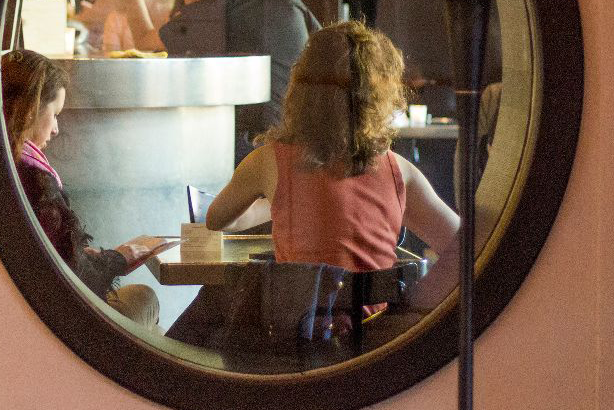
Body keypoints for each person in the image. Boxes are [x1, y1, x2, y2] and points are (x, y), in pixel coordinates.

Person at [167, 22, 460, 345]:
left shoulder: (269, 161)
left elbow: (216, 219)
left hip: (294, 343)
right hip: (377, 347)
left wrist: (277, 197)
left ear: (300, 90)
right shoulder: (400, 172)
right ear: (378, 97)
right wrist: (414, 300)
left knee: (213, 306)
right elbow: (463, 247)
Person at [119, 0, 321, 163]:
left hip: (248, 152)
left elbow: (143, 40)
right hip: (304, 140)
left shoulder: (202, 16)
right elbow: (320, 42)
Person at [0, 49, 162, 328]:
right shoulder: (35, 181)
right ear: (30, 110)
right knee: (145, 299)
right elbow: (71, 277)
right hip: (55, 320)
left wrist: (81, 253)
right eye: (54, 114)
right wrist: (118, 258)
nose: (56, 129)